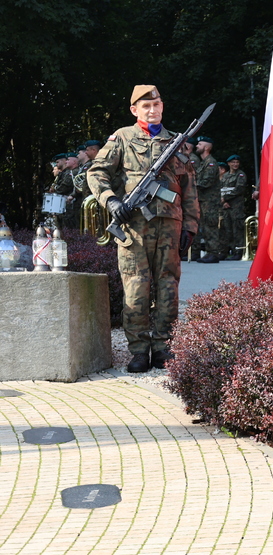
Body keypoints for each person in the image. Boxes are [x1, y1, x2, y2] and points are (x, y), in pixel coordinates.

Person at [87, 84, 199, 373]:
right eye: (146, 106)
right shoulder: (123, 138)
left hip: (170, 227)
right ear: (134, 110)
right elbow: (96, 172)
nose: (153, 110)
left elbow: (189, 189)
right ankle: (138, 351)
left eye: (157, 104)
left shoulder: (177, 142)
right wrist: (111, 201)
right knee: (136, 288)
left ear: (162, 107)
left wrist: (190, 226)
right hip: (134, 227)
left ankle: (163, 347)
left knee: (168, 288)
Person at [194, 135, 223, 263]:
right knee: (205, 227)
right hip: (204, 201)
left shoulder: (211, 163)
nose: (196, 146)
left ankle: (213, 253)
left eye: (199, 145)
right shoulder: (204, 164)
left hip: (210, 202)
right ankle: (209, 252)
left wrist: (191, 185)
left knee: (210, 226)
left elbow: (206, 182)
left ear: (206, 148)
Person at [220, 155, 248, 260]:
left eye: (237, 162)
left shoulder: (240, 175)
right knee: (227, 228)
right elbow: (220, 189)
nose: (235, 164)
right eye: (233, 162)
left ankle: (239, 251)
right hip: (226, 206)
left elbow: (239, 189)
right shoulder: (225, 176)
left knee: (237, 228)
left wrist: (226, 198)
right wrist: (223, 202)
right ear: (229, 163)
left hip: (236, 206)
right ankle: (230, 250)